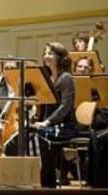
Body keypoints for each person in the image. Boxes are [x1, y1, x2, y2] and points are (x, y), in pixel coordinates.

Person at [33, 42, 77, 188]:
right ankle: (42, 180)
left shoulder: (66, 78)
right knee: (28, 133)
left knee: (42, 133)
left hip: (66, 125)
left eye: (50, 53)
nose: (46, 56)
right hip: (50, 124)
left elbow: (66, 106)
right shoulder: (46, 78)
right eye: (45, 53)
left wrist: (47, 122)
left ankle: (48, 183)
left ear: (60, 57)